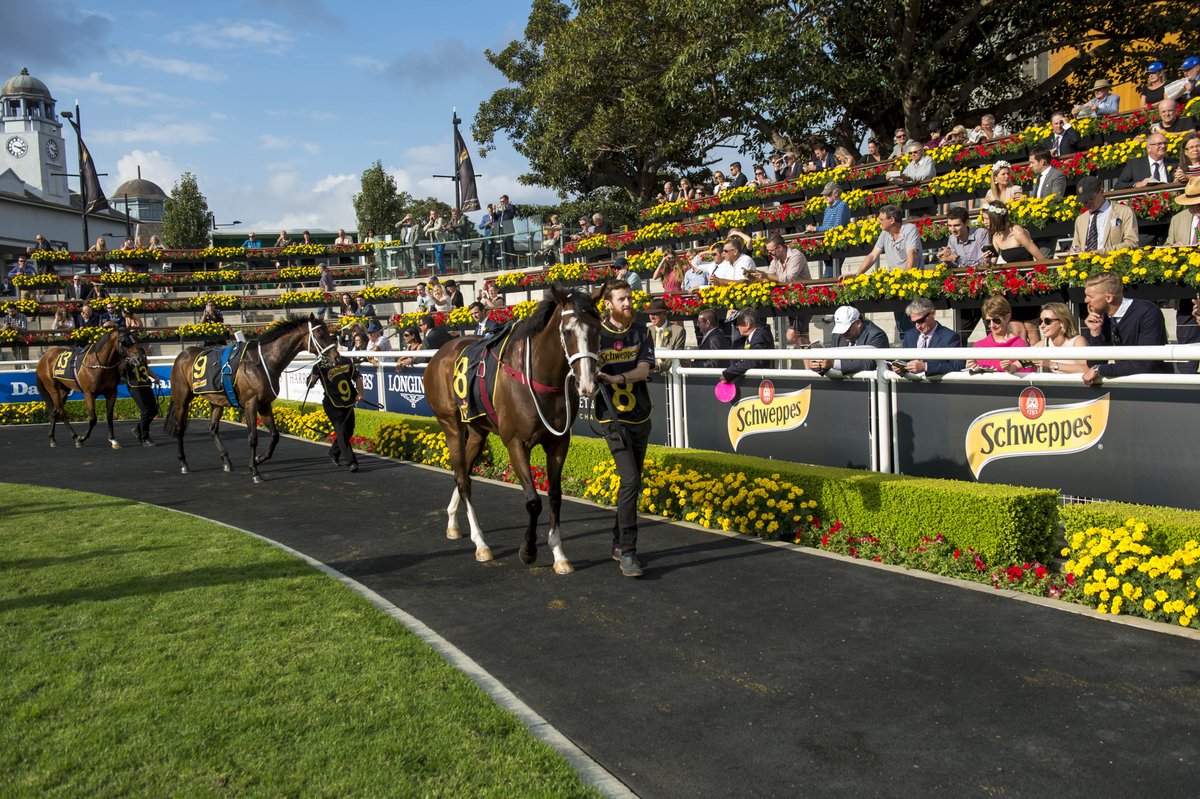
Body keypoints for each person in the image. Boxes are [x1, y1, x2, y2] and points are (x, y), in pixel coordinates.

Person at [594, 279, 654, 578]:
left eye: (629, 298)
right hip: (611, 419)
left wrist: (617, 379)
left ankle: (618, 543)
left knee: (632, 482)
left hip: (641, 416)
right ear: (608, 304)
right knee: (630, 481)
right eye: (621, 299)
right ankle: (629, 552)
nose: (628, 303)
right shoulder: (596, 336)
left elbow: (644, 369)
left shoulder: (642, 331)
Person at [1080, 271, 1169, 384]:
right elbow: (1093, 363)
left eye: (1090, 296)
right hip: (1126, 385)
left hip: (1155, 387)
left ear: (1108, 298)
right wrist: (1095, 333)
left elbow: (1145, 363)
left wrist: (1100, 370)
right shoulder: (1104, 318)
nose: (1085, 300)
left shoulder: (1147, 312)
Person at [1163, 177, 1200, 370]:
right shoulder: (1178, 219)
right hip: (1185, 289)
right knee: (1186, 339)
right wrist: (1174, 249)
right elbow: (1168, 246)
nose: (1193, 207)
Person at [308, 354, 365, 472]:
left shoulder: (346, 360)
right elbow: (310, 384)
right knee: (342, 432)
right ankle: (352, 462)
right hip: (332, 404)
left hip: (348, 402)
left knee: (349, 430)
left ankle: (333, 451)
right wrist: (312, 380)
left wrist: (361, 393)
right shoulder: (319, 365)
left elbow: (358, 377)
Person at [804, 305, 890, 376]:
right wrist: (819, 366)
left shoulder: (877, 335)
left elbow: (869, 364)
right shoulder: (837, 334)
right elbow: (831, 361)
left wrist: (833, 363)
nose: (843, 334)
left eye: (847, 329)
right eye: (841, 330)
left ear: (858, 323)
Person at [892, 298, 964, 377]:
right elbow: (903, 360)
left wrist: (926, 367)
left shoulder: (949, 336)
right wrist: (898, 366)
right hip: (913, 386)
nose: (918, 326)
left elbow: (958, 366)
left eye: (921, 321)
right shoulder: (909, 335)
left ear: (932, 313)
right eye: (914, 322)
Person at [1070, 177, 1139, 255]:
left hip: (1114, 263)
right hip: (1087, 265)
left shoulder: (1124, 212)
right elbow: (1076, 247)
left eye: (1090, 199)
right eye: (1083, 201)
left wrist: (1102, 252)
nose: (1087, 204)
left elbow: (1132, 243)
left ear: (1102, 191)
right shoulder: (1080, 220)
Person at [966, 296, 1033, 374]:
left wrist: (1013, 368)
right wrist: (973, 367)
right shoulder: (978, 346)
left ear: (1007, 317)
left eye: (996, 320)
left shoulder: (1020, 346)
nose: (992, 325)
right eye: (988, 322)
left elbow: (1028, 374)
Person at [851, 204, 922, 278]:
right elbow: (873, 256)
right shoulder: (885, 232)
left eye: (881, 220)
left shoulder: (910, 229)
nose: (879, 222)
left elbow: (912, 253)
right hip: (894, 279)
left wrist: (906, 277)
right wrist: (857, 275)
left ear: (892, 220)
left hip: (912, 279)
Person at [808, 181, 851, 279]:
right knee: (832, 273)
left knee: (829, 274)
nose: (825, 196)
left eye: (828, 194)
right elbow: (826, 226)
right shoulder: (828, 208)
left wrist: (816, 228)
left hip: (838, 245)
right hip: (828, 244)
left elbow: (837, 227)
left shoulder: (842, 206)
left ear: (835, 193)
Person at [720, 307, 774, 384]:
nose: (736, 327)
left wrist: (729, 373)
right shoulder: (748, 337)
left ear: (747, 325)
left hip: (760, 383)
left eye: (738, 324)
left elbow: (754, 360)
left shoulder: (760, 335)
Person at [980, 201, 1043, 266]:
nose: (984, 222)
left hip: (1027, 272)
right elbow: (993, 264)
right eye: (983, 219)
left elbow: (1040, 258)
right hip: (1011, 273)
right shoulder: (996, 236)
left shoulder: (1017, 232)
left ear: (996, 218)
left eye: (987, 219)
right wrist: (987, 261)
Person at [1036, 302, 1090, 374]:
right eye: (1040, 321)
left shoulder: (1077, 341)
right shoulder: (1045, 343)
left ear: (1062, 322)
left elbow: (1086, 368)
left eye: (1047, 321)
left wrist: (1051, 364)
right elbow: (1023, 359)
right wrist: (1015, 367)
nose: (1042, 325)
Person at [645, 297, 686, 371]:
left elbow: (676, 357)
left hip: (670, 374)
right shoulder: (647, 331)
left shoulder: (678, 331)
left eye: (655, 313)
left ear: (665, 314)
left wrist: (658, 367)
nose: (652, 317)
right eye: (650, 314)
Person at [396, 213, 422, 277]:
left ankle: (415, 274)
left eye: (409, 219)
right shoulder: (404, 226)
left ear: (412, 219)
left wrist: (413, 244)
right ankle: (408, 274)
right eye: (407, 220)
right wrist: (403, 220)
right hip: (405, 245)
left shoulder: (416, 226)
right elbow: (396, 225)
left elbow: (417, 236)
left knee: (413, 260)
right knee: (406, 260)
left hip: (412, 245)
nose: (408, 221)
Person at [423, 209, 446, 275]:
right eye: (431, 214)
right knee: (437, 256)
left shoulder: (440, 219)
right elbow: (424, 229)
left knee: (439, 255)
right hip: (435, 241)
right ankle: (441, 271)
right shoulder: (432, 221)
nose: (433, 215)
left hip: (441, 241)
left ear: (437, 214)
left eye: (434, 214)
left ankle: (442, 272)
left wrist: (429, 230)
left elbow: (438, 227)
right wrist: (429, 222)